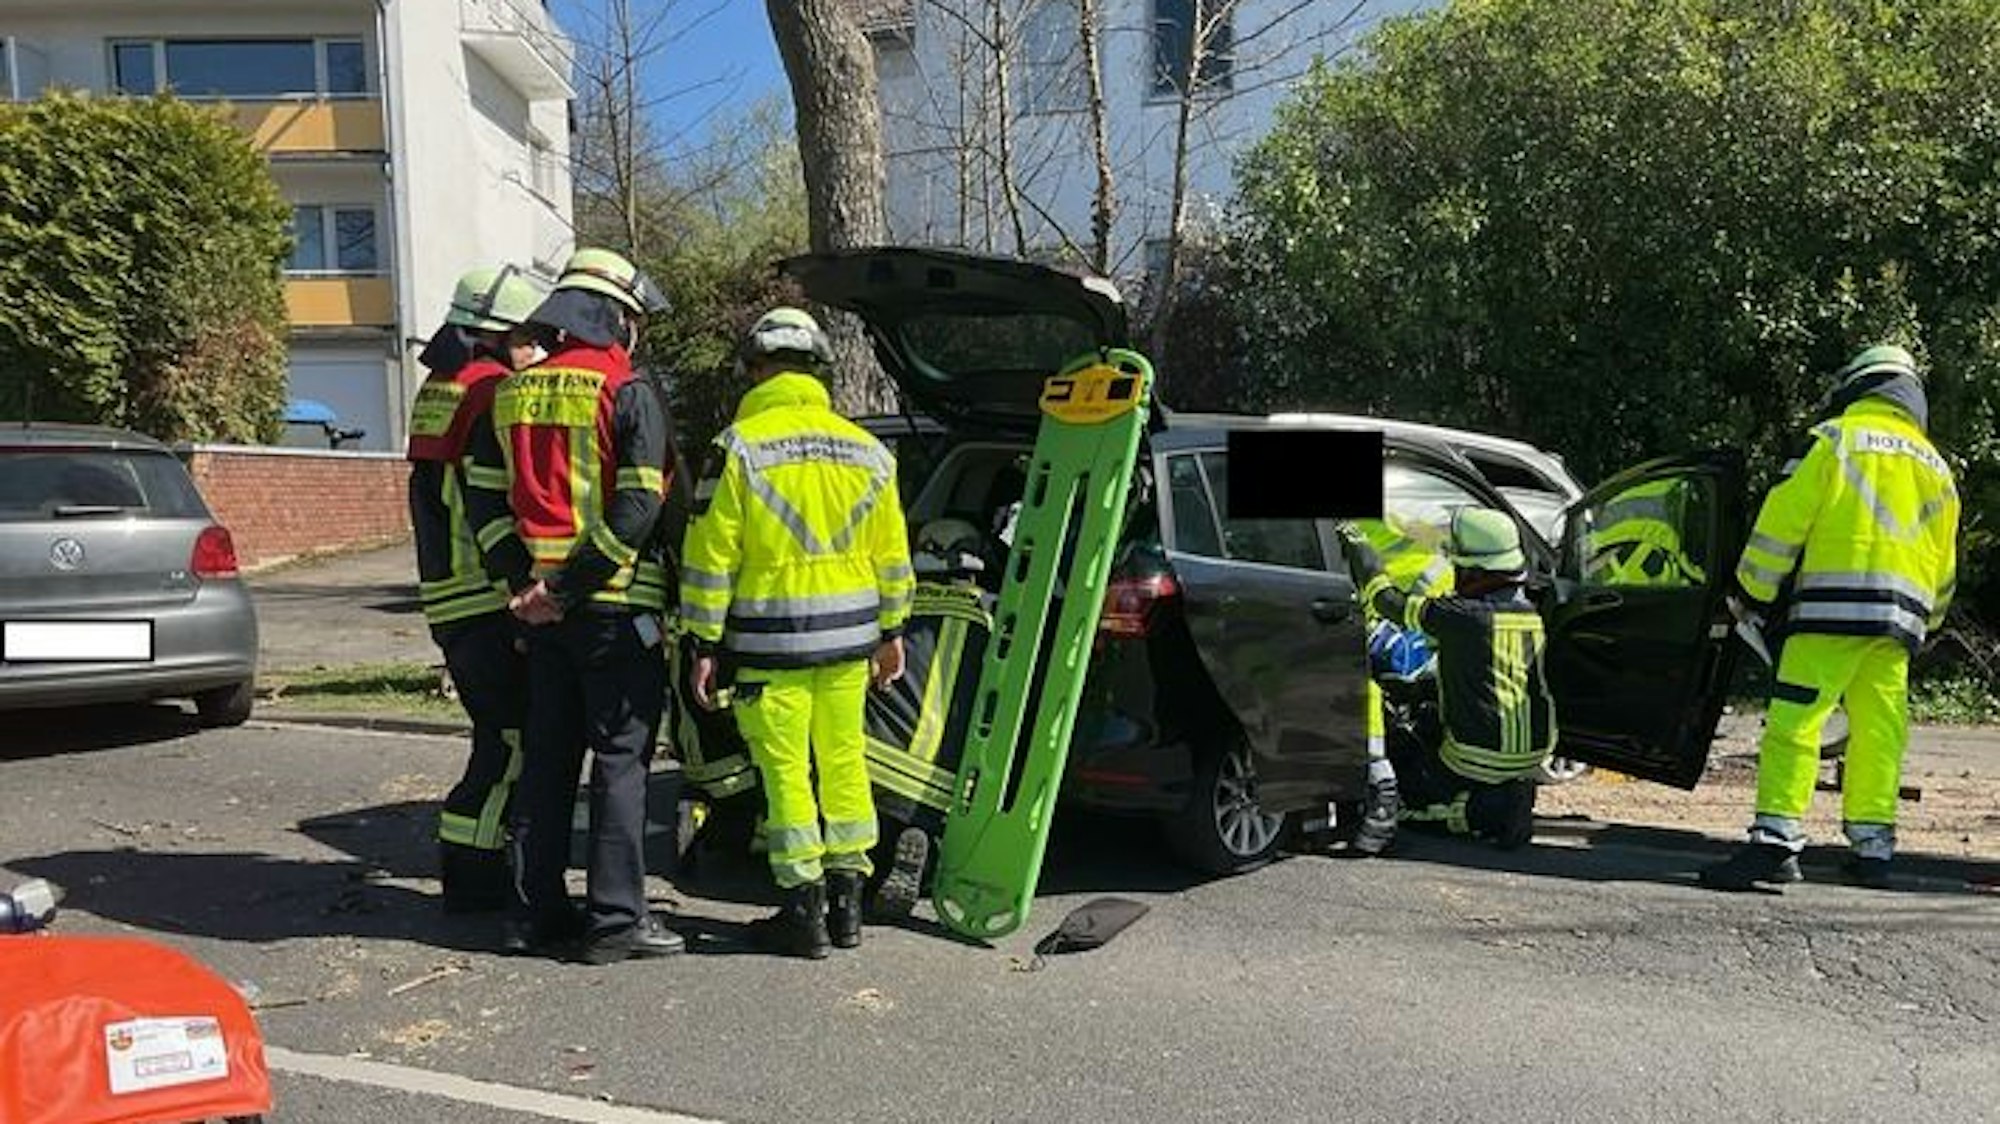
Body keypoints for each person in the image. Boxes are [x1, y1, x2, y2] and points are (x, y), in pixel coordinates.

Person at [464, 248, 682, 964]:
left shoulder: (508, 395)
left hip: (541, 618)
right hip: (614, 613)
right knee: (620, 763)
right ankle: (616, 922)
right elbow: (640, 507)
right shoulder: (626, 389)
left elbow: (484, 506)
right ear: (613, 315)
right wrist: (567, 588)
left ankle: (532, 916)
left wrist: (525, 588)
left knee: (548, 761)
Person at [681, 307, 916, 958]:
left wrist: (702, 642)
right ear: (818, 370)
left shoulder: (737, 448)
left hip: (770, 647)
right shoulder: (869, 452)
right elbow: (892, 554)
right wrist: (893, 630)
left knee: (785, 772)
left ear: (756, 370)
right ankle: (848, 909)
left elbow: (710, 558)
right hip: (849, 647)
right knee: (844, 763)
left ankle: (801, 913)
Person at [1701, 345, 1959, 892]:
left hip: (1828, 614)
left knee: (1797, 723)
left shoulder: (1833, 440)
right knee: (1879, 732)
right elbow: (1944, 565)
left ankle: (1775, 841)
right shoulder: (1937, 467)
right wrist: (1928, 624)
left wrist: (1749, 592)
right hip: (1897, 627)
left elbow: (1782, 524)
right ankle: (1873, 848)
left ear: (1858, 385)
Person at [406, 265, 545, 912]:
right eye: (527, 338)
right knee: (510, 742)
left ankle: (476, 869)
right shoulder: (490, 391)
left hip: (449, 591)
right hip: (483, 593)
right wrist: (519, 589)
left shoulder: (443, 384)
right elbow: (492, 500)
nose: (534, 352)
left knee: (496, 737)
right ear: (498, 334)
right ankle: (475, 881)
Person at [1339, 508, 1555, 849]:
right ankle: (1505, 790)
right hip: (1533, 750)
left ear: (1474, 570)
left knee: (1409, 806)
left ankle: (1487, 812)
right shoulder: (1529, 614)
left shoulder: (1464, 616)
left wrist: (1358, 545)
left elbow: (1387, 601)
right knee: (1426, 717)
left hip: (1478, 756)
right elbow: (1487, 674)